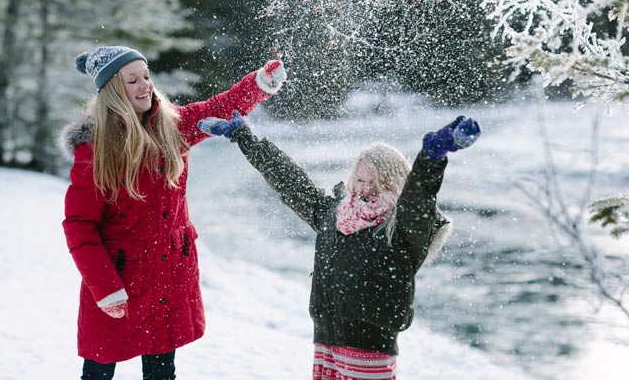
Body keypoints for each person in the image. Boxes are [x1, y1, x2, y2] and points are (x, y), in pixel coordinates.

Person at [58, 45, 286, 380]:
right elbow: (79, 226)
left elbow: (218, 107)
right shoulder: (96, 149)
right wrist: (105, 287)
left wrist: (259, 83)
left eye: (146, 76)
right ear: (113, 92)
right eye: (132, 80)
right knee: (99, 368)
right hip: (120, 279)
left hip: (167, 272)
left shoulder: (171, 126)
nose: (145, 85)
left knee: (162, 369)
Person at [197, 113, 481, 380]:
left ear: (393, 181)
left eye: (376, 182)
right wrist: (245, 138)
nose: (365, 189)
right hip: (327, 340)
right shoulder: (334, 214)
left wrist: (432, 156)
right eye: (360, 180)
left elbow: (419, 195)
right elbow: (291, 182)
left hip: (370, 349)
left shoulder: (403, 225)